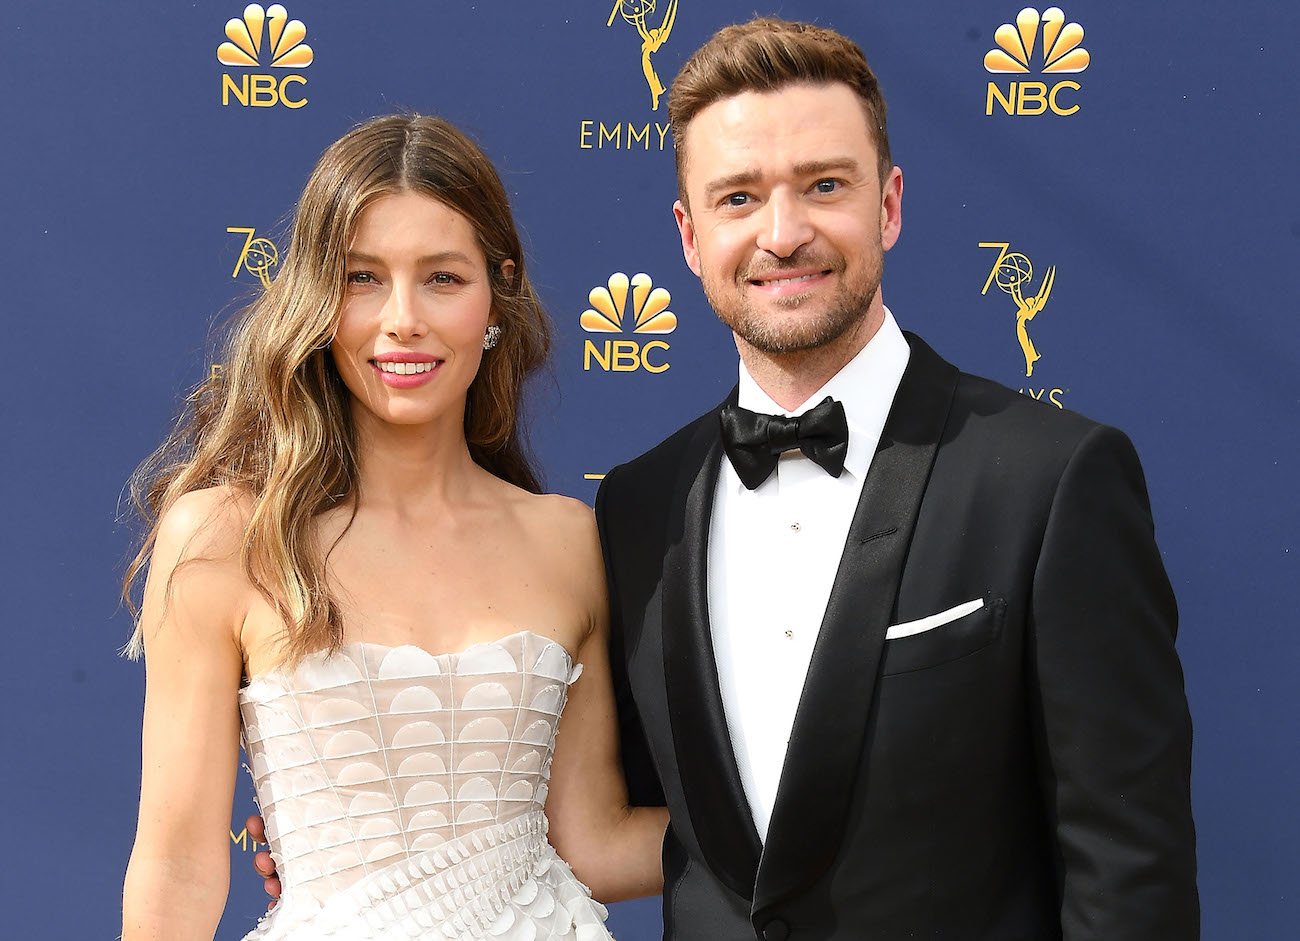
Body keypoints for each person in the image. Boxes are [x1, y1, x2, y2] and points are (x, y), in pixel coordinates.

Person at [593, 17, 1199, 941]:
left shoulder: (1051, 479)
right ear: (688, 233)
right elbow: (607, 809)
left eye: (824, 185)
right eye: (738, 198)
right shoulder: (639, 507)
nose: (783, 232)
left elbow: (1129, 870)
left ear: (890, 205)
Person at [121, 113, 666, 940]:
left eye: (442, 278)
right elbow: (178, 864)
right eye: (362, 278)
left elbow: (591, 844)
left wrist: (833, 819)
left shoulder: (566, 538)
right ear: (315, 298)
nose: (402, 318)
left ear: (497, 293)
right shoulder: (225, 537)